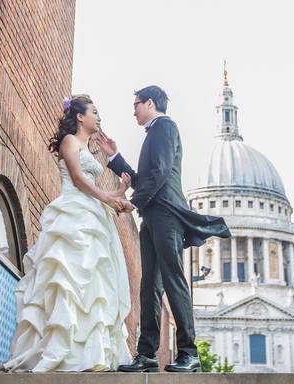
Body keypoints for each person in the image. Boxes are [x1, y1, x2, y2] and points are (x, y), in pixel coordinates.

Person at [97, 85, 231, 373]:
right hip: (153, 216)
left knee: (172, 281)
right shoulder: (155, 132)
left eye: (136, 104)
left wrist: (134, 203)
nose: (133, 110)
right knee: (150, 287)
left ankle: (188, 352)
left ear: (150, 103)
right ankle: (145, 354)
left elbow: (158, 174)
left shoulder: (165, 127)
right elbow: (144, 177)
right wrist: (114, 158)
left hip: (165, 215)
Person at [0, 95, 134, 372]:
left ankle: (91, 355)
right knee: (66, 279)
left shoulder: (89, 147)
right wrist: (110, 200)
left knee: (92, 284)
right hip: (73, 214)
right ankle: (60, 350)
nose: (99, 117)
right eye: (95, 112)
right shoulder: (69, 142)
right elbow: (79, 180)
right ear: (80, 117)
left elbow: (94, 188)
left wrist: (119, 193)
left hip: (92, 216)